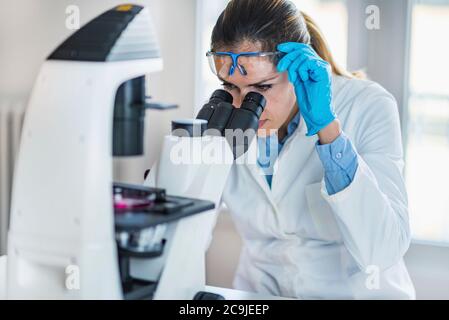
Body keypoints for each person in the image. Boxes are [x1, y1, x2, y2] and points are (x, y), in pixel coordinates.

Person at [206, 0, 415, 299]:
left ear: (296, 69)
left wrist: (328, 130)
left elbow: (382, 250)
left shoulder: (367, 105)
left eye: (262, 88)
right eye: (230, 86)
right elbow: (184, 222)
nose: (244, 104)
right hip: (261, 295)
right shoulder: (225, 112)